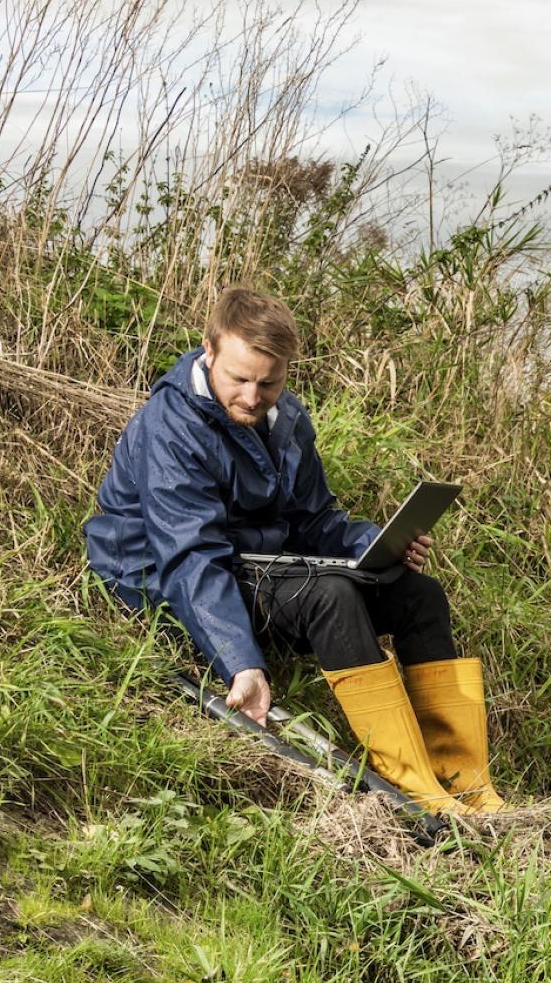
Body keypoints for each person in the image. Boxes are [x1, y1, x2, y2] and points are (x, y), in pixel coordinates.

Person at [85, 287, 500, 813]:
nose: (253, 398)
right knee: (331, 596)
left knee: (419, 595)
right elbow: (190, 559)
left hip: (254, 564)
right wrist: (241, 663)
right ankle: (413, 786)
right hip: (158, 578)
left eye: (269, 382)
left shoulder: (287, 420)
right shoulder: (170, 428)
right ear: (209, 351)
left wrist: (376, 544)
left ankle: (465, 782)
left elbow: (316, 518)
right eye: (238, 379)